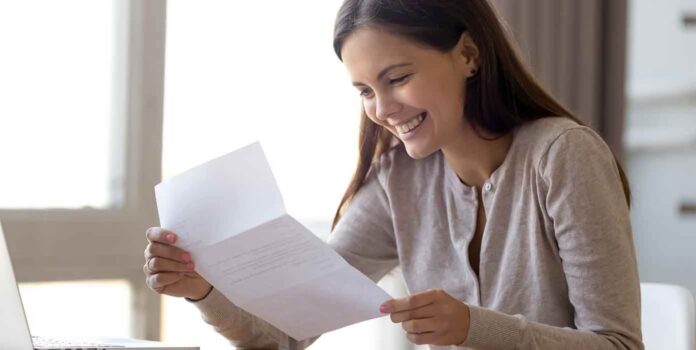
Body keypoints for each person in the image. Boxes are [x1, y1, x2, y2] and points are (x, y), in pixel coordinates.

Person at [143, 0, 644, 349]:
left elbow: (618, 345)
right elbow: (289, 333)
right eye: (364, 90)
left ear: (468, 55)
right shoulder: (397, 180)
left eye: (398, 78)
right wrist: (202, 291)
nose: (382, 109)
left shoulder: (562, 157)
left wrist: (473, 327)